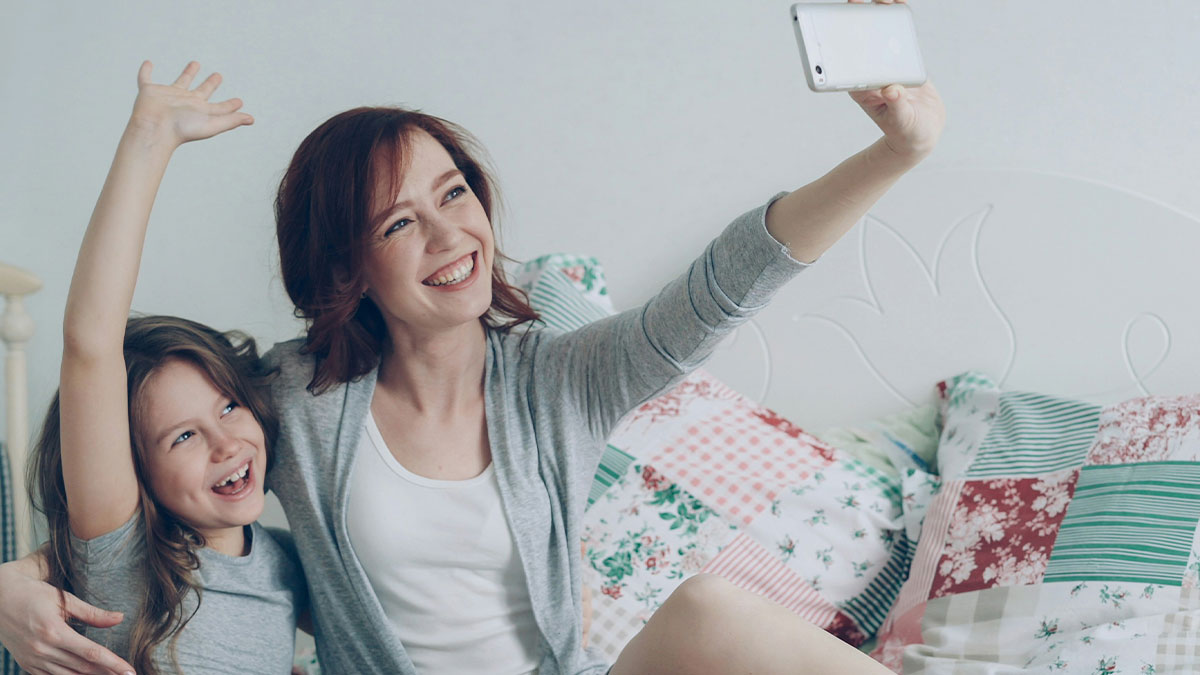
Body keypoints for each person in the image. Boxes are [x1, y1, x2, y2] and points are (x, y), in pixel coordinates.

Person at [0, 4, 945, 671]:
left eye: (454, 194)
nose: (449, 236)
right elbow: (143, 474)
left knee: (711, 610)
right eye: (398, 222)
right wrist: (15, 576)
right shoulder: (291, 403)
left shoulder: (563, 381)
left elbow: (724, 286)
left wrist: (897, 151)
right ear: (348, 266)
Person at [3, 62, 306, 675]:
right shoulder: (125, 559)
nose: (226, 443)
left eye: (228, 407)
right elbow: (90, 344)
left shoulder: (283, 563)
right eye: (183, 436)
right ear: (135, 470)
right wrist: (151, 139)